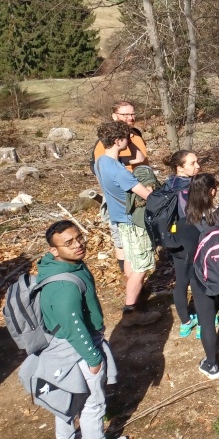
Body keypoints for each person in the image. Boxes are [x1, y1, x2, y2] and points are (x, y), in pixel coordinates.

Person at [19, 221, 119, 439]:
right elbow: (74, 327)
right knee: (93, 406)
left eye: (79, 238)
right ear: (54, 250)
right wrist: (93, 360)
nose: (78, 245)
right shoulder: (65, 287)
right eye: (69, 243)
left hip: (59, 349)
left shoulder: (61, 265)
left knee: (66, 402)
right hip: (78, 351)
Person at [92, 121, 160, 327]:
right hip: (133, 222)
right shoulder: (119, 171)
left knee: (130, 260)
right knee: (141, 267)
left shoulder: (102, 162)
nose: (130, 141)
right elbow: (148, 196)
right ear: (117, 140)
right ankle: (130, 312)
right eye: (127, 138)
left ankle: (135, 301)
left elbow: (138, 158)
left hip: (120, 219)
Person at [181, 173, 219, 378]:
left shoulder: (187, 220)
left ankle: (211, 364)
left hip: (199, 276)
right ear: (213, 192)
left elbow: (185, 249)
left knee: (206, 320)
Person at [92, 101, 148, 274]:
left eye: (132, 114)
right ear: (115, 116)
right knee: (124, 242)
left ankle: (134, 279)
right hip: (124, 197)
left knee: (135, 241)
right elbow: (107, 170)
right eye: (126, 115)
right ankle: (131, 280)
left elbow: (140, 157)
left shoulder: (135, 135)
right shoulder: (105, 145)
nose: (131, 118)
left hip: (138, 191)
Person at [163, 150, 201, 337]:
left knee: (181, 279)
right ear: (180, 167)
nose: (197, 166)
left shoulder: (168, 183)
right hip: (190, 236)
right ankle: (204, 319)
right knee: (195, 278)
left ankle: (185, 322)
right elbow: (191, 215)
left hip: (173, 237)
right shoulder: (187, 187)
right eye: (192, 163)